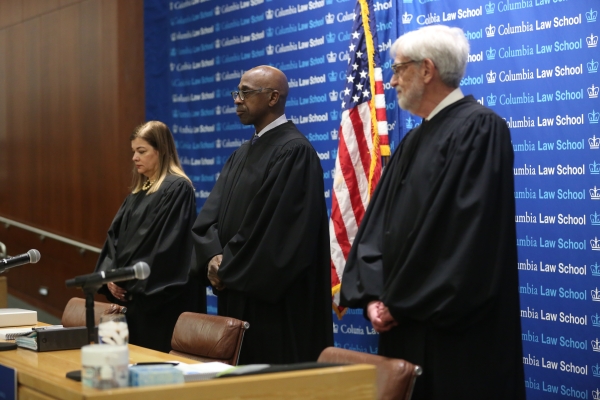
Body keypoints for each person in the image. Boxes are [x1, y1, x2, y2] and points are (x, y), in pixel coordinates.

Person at [340, 25, 525, 399]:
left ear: (427, 70)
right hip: (400, 323)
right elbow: (377, 228)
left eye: (398, 69)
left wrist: (400, 303)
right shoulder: (414, 139)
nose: (392, 81)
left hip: (454, 335)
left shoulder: (481, 129)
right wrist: (375, 295)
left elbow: (466, 241)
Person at [192, 65, 333, 364]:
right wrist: (212, 257)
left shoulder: (295, 152)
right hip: (235, 294)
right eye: (237, 92)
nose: (237, 99)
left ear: (272, 98)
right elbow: (208, 219)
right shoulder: (241, 154)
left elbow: (278, 235)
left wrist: (226, 267)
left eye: (245, 92)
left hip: (274, 308)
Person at [95, 121, 203, 353]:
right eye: (133, 151)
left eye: (141, 151)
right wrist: (110, 275)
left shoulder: (177, 188)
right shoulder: (138, 192)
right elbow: (114, 238)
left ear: (161, 150)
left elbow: (165, 245)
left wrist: (125, 277)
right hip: (131, 296)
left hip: (157, 300)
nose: (135, 157)